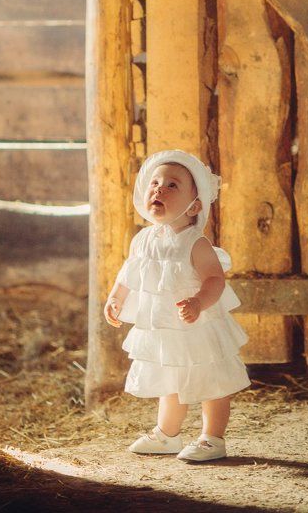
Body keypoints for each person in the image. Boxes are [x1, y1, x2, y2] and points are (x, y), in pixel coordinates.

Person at [104, 149, 250, 462]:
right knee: (169, 379)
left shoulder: (195, 243)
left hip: (197, 326)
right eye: (154, 183)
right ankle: (167, 435)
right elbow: (129, 271)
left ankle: (213, 438)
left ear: (194, 205)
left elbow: (215, 280)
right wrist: (116, 297)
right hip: (164, 328)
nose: (158, 188)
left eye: (172, 185)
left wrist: (199, 302)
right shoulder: (143, 239)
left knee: (212, 380)